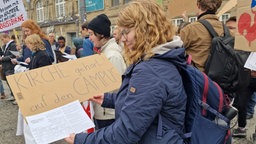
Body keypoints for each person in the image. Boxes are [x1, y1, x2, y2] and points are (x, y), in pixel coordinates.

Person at [65, 1, 186, 143]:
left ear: (145, 30)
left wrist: (81, 140)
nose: (122, 39)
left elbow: (125, 133)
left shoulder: (150, 71)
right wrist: (108, 99)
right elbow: (143, 102)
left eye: (126, 32)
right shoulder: (159, 60)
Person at [87, 13, 127, 129]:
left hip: (109, 114)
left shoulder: (112, 56)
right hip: (102, 110)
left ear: (100, 34)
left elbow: (117, 86)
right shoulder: (104, 52)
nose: (89, 38)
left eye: (91, 34)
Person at [225, 16, 255, 137]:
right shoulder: (229, 43)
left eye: (232, 28)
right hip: (245, 78)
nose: (229, 31)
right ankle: (241, 128)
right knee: (241, 104)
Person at [180, 0, 223, 72]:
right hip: (220, 78)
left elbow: (171, 49)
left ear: (198, 5)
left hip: (198, 78)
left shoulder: (191, 29)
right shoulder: (225, 28)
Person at [0, 34, 18, 103]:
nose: (2, 41)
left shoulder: (13, 45)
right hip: (5, 66)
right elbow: (3, 54)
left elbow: (14, 55)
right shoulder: (4, 46)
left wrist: (2, 58)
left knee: (12, 83)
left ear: (7, 37)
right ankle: (13, 95)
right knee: (8, 82)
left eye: (3, 39)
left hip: (11, 66)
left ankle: (17, 98)